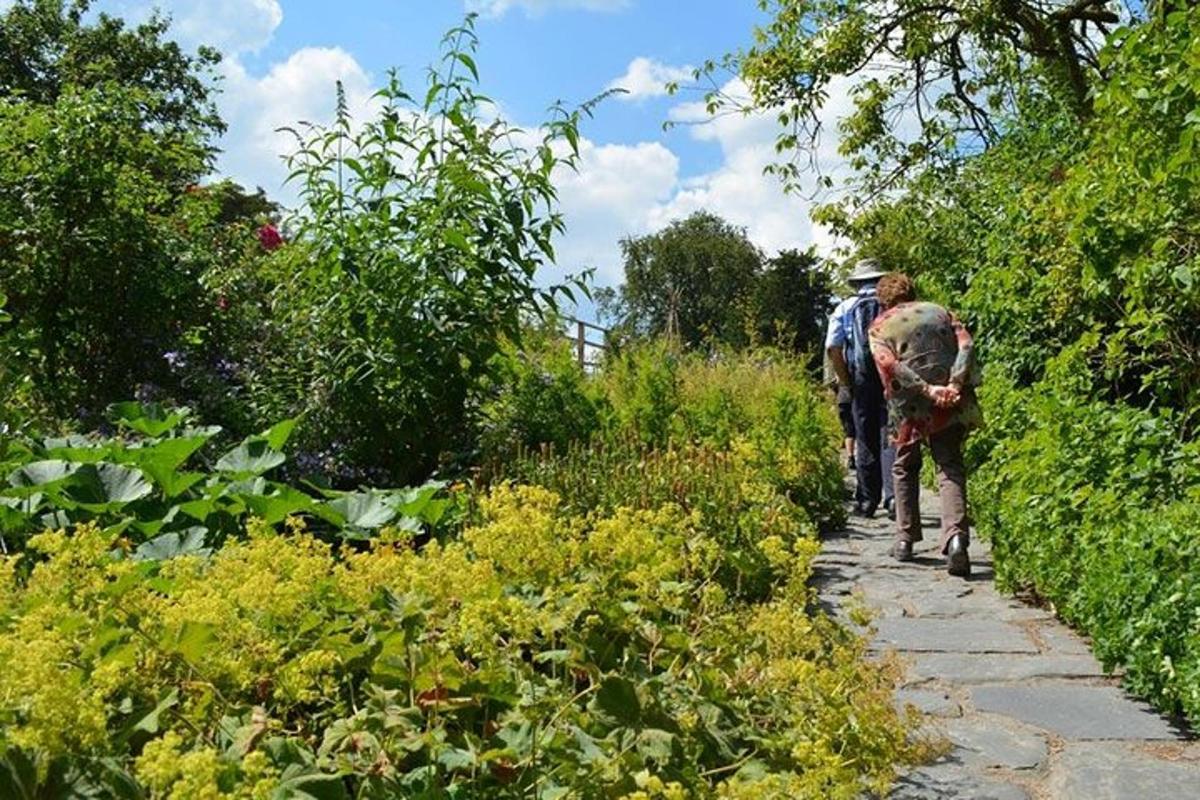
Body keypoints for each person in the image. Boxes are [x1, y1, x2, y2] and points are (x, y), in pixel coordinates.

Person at [868, 273, 982, 577]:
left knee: (904, 467)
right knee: (949, 466)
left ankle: (905, 540)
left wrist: (925, 389)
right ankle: (956, 538)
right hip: (950, 400)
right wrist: (954, 384)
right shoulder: (941, 312)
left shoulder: (879, 326)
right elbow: (967, 345)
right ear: (913, 292)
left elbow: (889, 364)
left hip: (910, 407)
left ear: (883, 300)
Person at [826, 259, 895, 518]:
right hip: (892, 376)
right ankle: (893, 498)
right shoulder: (892, 306)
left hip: (861, 378)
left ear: (856, 283)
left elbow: (833, 348)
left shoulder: (845, 307)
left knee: (864, 436)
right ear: (880, 280)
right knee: (890, 435)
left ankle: (867, 500)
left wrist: (846, 381)